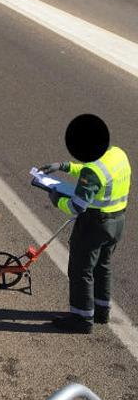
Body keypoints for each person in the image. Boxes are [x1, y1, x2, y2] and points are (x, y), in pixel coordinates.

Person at [37, 114, 130, 334]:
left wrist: (55, 197)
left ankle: (81, 319)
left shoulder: (94, 171)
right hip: (117, 222)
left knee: (80, 270)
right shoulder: (117, 154)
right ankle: (100, 312)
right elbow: (92, 168)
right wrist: (64, 166)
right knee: (103, 266)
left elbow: (76, 207)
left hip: (95, 225)